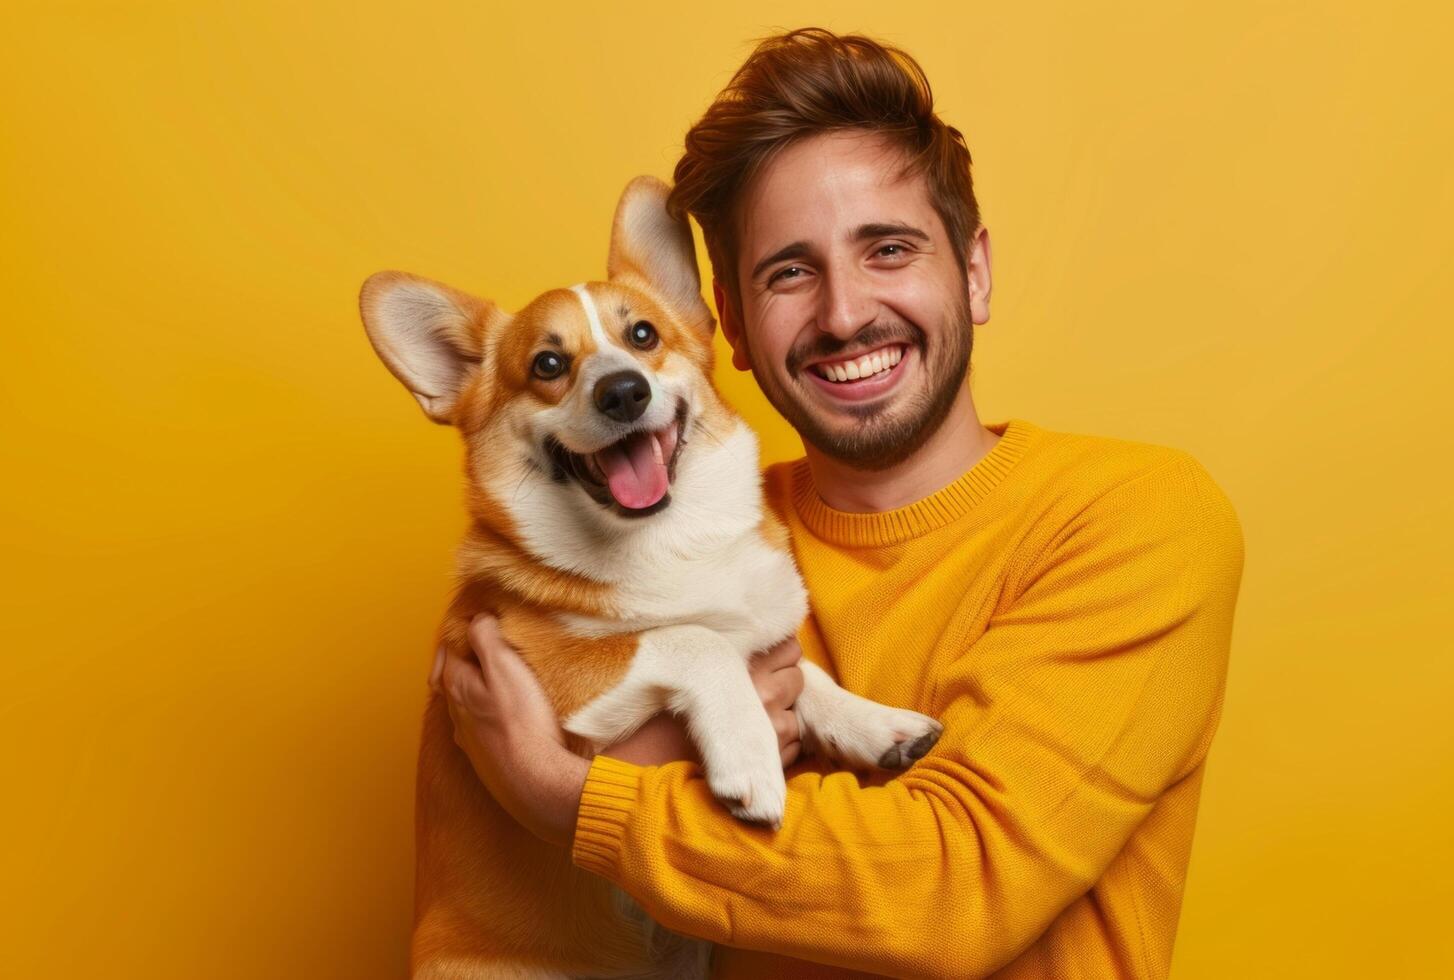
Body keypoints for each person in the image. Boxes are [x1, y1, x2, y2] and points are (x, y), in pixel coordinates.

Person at [432, 26, 1244, 979]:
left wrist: (567, 795)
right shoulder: (620, 550)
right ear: (725, 323)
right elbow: (493, 881)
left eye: (888, 249)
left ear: (973, 270)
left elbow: (951, 891)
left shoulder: (1133, 518)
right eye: (788, 271)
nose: (845, 312)